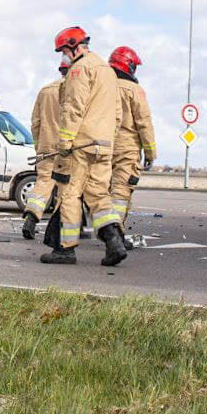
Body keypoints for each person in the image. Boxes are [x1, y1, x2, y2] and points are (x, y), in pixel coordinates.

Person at [41, 26, 126, 267]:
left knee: (69, 193)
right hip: (104, 144)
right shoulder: (107, 70)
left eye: (63, 50)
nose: (63, 56)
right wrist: (108, 138)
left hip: (82, 145)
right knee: (99, 194)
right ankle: (114, 243)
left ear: (73, 46)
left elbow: (73, 107)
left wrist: (65, 142)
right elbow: (118, 112)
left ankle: (65, 250)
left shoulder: (79, 69)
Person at [108, 46, 156, 248]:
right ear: (129, 66)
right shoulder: (135, 91)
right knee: (120, 193)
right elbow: (144, 122)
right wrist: (150, 152)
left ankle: (105, 230)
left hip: (101, 146)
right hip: (127, 150)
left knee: (102, 191)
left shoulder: (102, 87)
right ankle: (115, 236)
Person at [21, 59, 69, 239]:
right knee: (67, 188)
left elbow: (36, 122)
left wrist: (38, 146)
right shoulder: (78, 91)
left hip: (46, 145)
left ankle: (31, 218)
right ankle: (61, 229)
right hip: (68, 147)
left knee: (43, 183)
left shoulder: (46, 91)